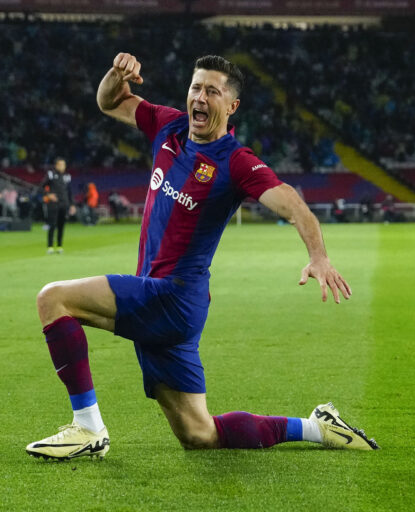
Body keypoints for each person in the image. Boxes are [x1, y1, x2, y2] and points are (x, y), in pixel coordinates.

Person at [26, 53, 378, 461]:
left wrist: (319, 256)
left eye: (213, 91)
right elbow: (109, 101)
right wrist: (115, 74)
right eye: (196, 87)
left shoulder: (236, 161)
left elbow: (293, 205)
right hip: (172, 304)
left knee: (53, 298)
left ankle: (87, 428)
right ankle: (317, 428)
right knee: (200, 433)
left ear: (231, 107)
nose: (201, 97)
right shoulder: (169, 125)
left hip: (171, 297)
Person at [41, 157, 72, 254]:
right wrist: (48, 195)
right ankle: (50, 246)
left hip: (64, 204)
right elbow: (41, 187)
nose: (63, 167)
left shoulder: (67, 176)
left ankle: (59, 246)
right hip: (53, 204)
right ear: (56, 165)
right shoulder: (51, 175)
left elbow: (69, 191)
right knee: (52, 225)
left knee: (61, 226)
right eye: (61, 164)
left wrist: (72, 204)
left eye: (64, 165)